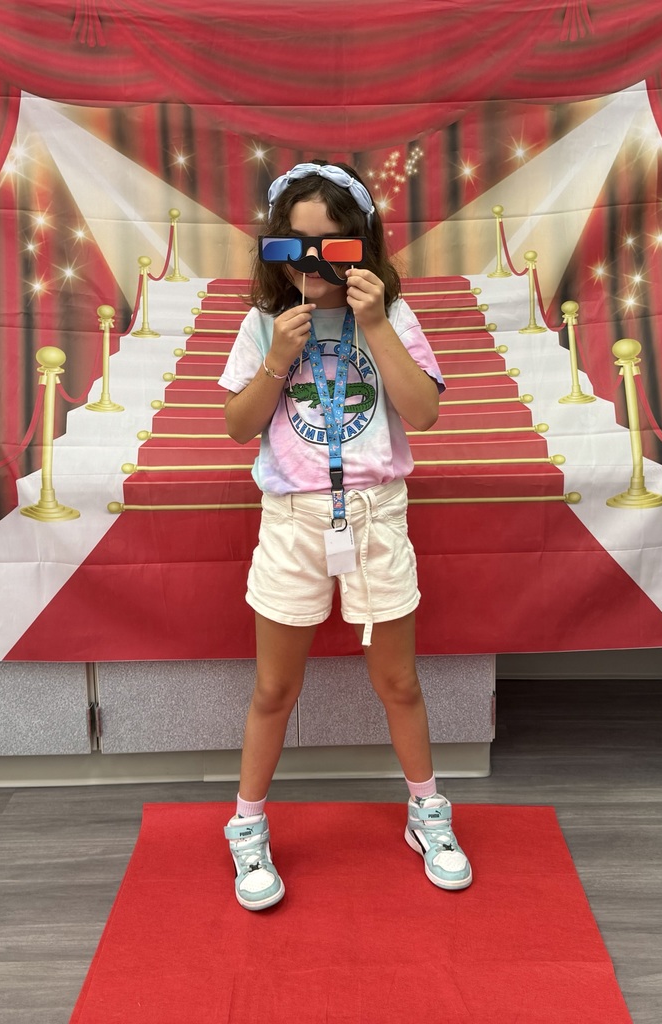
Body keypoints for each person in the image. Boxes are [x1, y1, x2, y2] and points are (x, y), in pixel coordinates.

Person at [217, 160, 471, 911]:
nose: (312, 264)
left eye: (332, 248)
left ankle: (427, 812)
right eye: (293, 248)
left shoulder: (392, 316)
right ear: (274, 251)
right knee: (274, 687)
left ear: (361, 245)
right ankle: (247, 823)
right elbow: (237, 428)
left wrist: (377, 324)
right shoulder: (265, 322)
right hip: (292, 520)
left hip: (375, 515)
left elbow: (421, 413)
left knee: (398, 681)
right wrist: (276, 360)